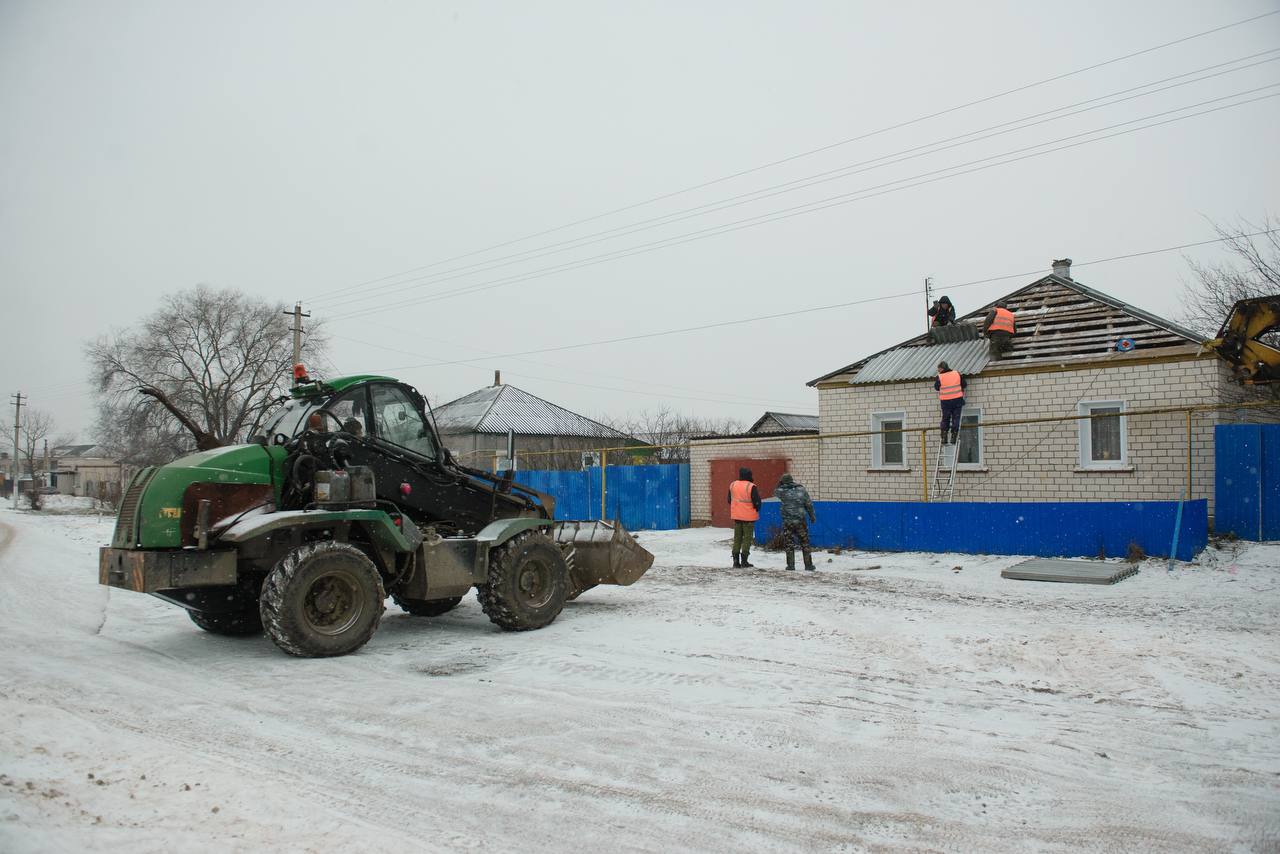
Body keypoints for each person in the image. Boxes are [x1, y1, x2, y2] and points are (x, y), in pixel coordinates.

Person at [774, 473, 817, 571]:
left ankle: (791, 565)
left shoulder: (781, 491)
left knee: (789, 543)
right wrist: (812, 516)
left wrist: (780, 484)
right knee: (805, 542)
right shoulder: (801, 490)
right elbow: (808, 504)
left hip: (788, 522)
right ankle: (808, 565)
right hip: (800, 521)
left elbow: (775, 491)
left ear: (782, 482)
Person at [728, 467, 761, 568]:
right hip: (749, 518)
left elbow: (729, 500)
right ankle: (744, 560)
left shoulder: (733, 485)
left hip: (737, 517)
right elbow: (757, 502)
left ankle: (735, 561)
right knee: (747, 538)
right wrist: (756, 508)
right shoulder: (751, 486)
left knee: (737, 538)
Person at [934, 361, 967, 446]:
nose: (938, 371)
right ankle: (953, 437)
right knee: (956, 418)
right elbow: (964, 384)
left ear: (942, 368)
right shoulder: (957, 373)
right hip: (957, 400)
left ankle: (944, 437)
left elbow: (936, 387)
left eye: (939, 369)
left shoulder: (940, 377)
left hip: (945, 402)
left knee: (946, 418)